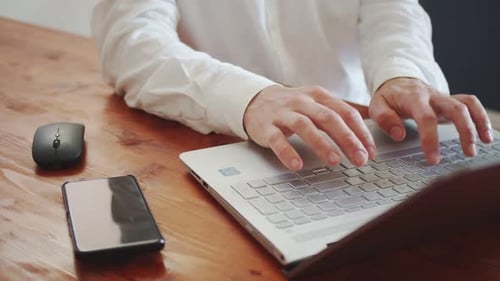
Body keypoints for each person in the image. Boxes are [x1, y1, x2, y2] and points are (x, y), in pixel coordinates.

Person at [91, 0, 493, 171]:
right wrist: (250, 98)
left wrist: (402, 72)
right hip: (215, 143)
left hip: (369, 135)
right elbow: (131, 43)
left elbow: (390, 9)